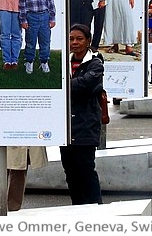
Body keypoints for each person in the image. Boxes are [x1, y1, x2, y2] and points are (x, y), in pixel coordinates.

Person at [60, 23, 103, 205]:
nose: (74, 42)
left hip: (86, 127)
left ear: (88, 41)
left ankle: (96, 210)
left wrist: (63, 85)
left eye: (79, 39)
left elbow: (85, 86)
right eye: (71, 39)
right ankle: (77, 211)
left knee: (86, 171)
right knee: (71, 174)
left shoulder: (96, 63)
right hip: (66, 129)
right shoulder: (63, 62)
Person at [19, 0, 56, 74]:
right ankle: (29, 61)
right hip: (31, 17)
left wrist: (52, 18)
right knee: (30, 42)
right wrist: (23, 19)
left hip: (44, 17)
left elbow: (50, 2)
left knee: (45, 42)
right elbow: (22, 4)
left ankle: (44, 61)